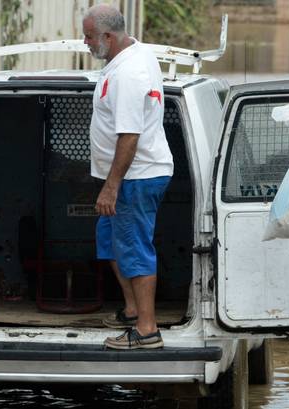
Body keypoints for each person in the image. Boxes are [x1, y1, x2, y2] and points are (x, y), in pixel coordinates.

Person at [81, 5, 173, 350]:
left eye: (89, 36)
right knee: (110, 241)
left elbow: (130, 135)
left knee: (134, 249)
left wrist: (111, 186)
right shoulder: (129, 57)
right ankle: (134, 310)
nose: (85, 42)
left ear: (108, 36)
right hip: (128, 176)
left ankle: (147, 331)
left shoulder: (128, 74)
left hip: (136, 177)